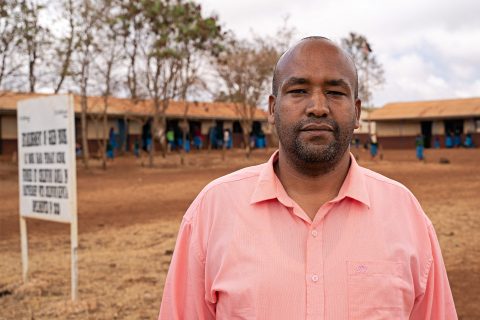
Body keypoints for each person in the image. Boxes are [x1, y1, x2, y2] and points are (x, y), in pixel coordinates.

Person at [158, 37, 457, 319]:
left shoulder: (404, 214)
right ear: (273, 109)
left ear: (356, 113)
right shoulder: (213, 210)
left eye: (335, 92)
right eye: (299, 90)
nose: (317, 107)